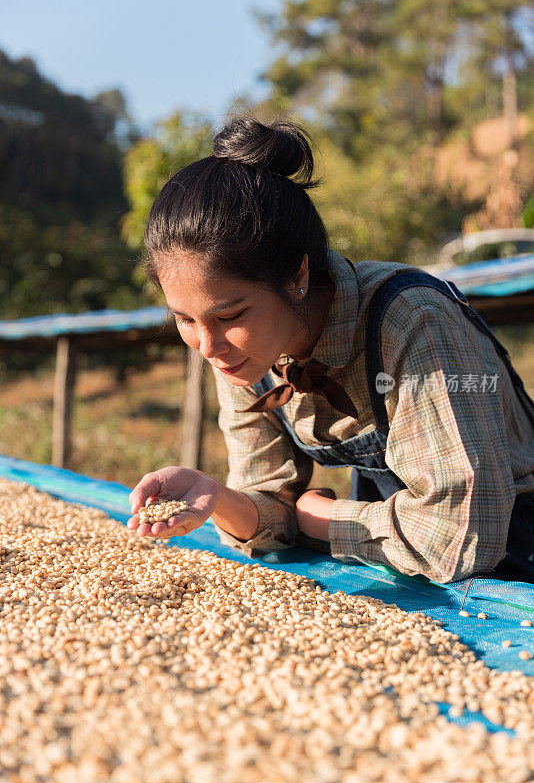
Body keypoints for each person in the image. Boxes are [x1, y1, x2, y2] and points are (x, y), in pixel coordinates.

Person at [128, 117, 534, 585]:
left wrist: (319, 520)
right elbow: (273, 509)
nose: (207, 346)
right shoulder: (243, 355)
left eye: (229, 316)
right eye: (184, 319)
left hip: (514, 554)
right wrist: (218, 497)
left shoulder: (410, 322)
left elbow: (461, 535)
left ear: (298, 277)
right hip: (397, 557)